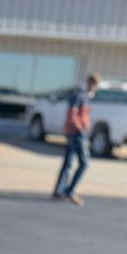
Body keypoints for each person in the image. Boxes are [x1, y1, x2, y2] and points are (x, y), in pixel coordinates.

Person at [53, 73, 99, 205]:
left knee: (68, 161)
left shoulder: (85, 97)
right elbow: (72, 114)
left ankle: (59, 190)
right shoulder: (80, 96)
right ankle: (69, 191)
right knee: (84, 163)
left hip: (74, 132)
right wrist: (80, 128)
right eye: (95, 85)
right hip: (76, 133)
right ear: (91, 83)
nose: (95, 88)